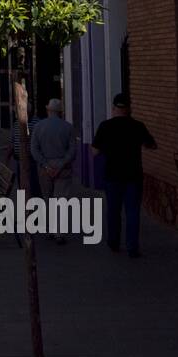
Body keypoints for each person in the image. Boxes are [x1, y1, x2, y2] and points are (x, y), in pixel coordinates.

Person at [92, 93, 157, 258]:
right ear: (129, 108)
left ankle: (113, 243)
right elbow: (151, 145)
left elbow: (95, 151)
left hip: (112, 175)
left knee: (113, 211)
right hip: (133, 175)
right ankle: (132, 247)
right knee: (133, 211)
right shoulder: (138, 126)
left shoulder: (105, 126)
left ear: (114, 108)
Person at [30, 98, 77, 242]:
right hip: (63, 169)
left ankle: (50, 228)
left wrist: (45, 165)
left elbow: (34, 149)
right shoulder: (68, 127)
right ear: (60, 112)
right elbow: (72, 150)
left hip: (45, 168)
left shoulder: (39, 127)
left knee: (47, 198)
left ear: (48, 110)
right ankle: (59, 233)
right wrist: (61, 164)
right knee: (60, 200)